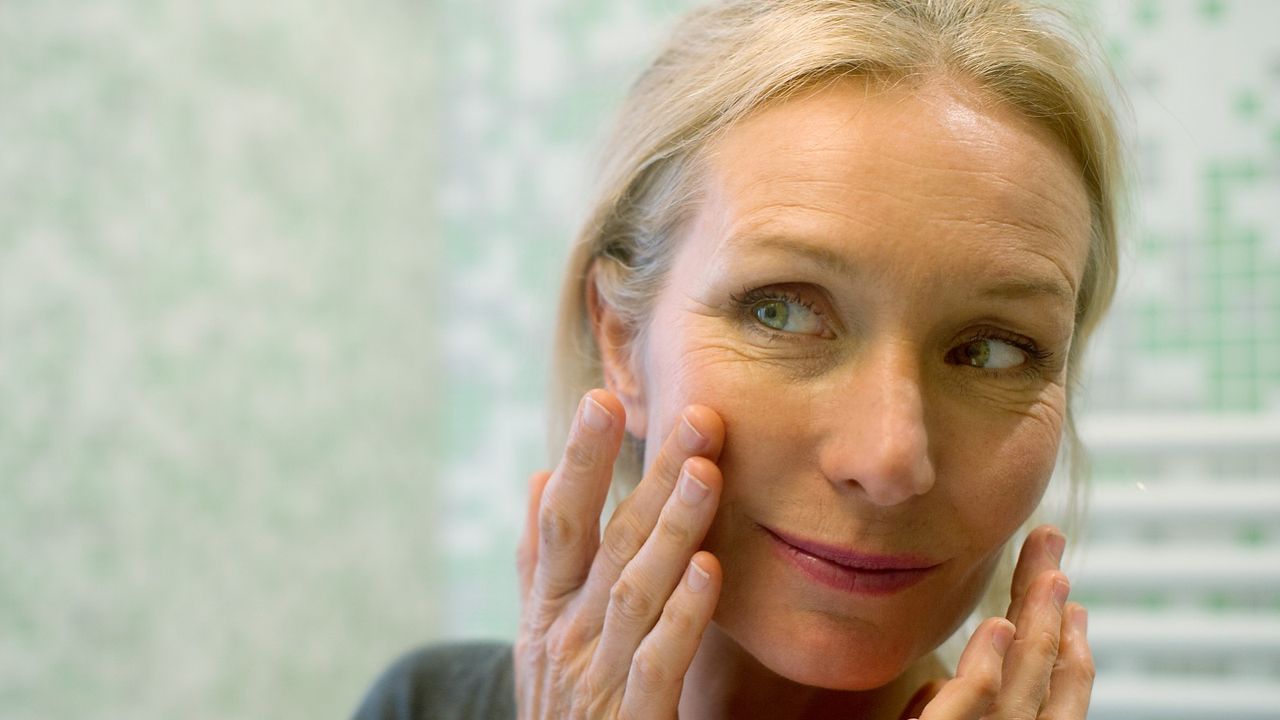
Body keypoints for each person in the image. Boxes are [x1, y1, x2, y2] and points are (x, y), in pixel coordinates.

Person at [355, 0, 1123, 717]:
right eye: (781, 312)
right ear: (621, 337)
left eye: (991, 352)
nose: (890, 460)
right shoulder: (425, 703)